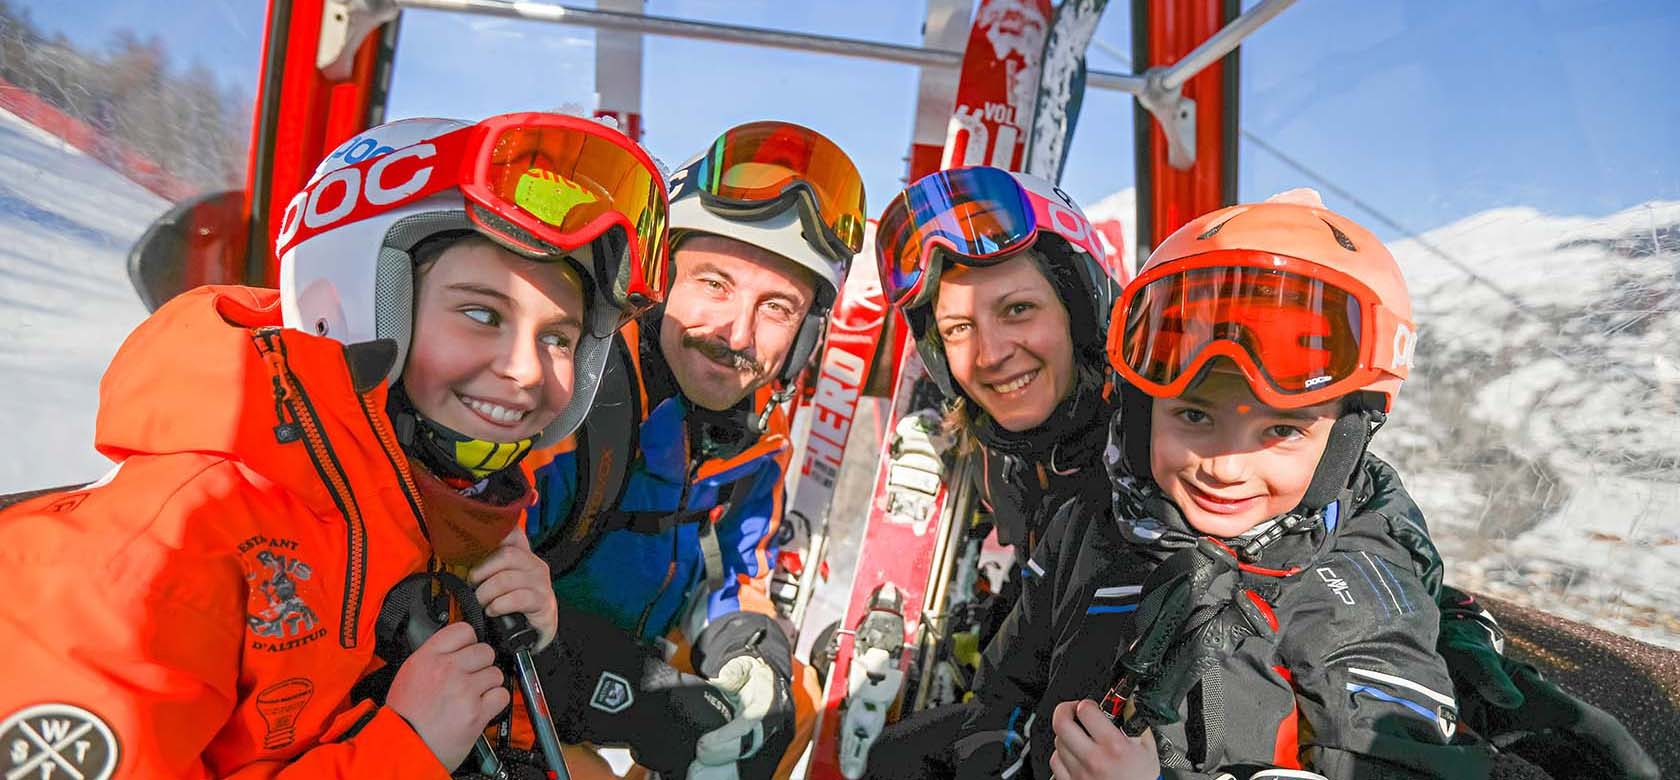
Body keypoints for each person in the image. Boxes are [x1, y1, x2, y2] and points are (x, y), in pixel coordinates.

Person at [863, 175, 1655, 778]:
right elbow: (1019, 672)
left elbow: (1380, 694)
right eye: (960, 328)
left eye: (1018, 311)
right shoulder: (1094, 504)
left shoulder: (1329, 581)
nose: (1224, 463)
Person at [0, 111, 669, 778]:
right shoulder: (160, 551)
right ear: (355, 300)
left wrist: (515, 637)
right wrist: (403, 750)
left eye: (558, 337)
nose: (526, 370)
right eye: (480, 314)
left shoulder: (439, 519)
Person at [517, 120, 866, 779]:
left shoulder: (755, 442)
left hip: (639, 665)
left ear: (804, 337)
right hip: (510, 680)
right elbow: (462, 595)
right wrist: (630, 694)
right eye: (714, 283)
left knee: (787, 701)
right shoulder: (572, 401)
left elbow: (739, 576)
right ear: (661, 281)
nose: (736, 332)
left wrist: (750, 649)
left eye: (777, 307)